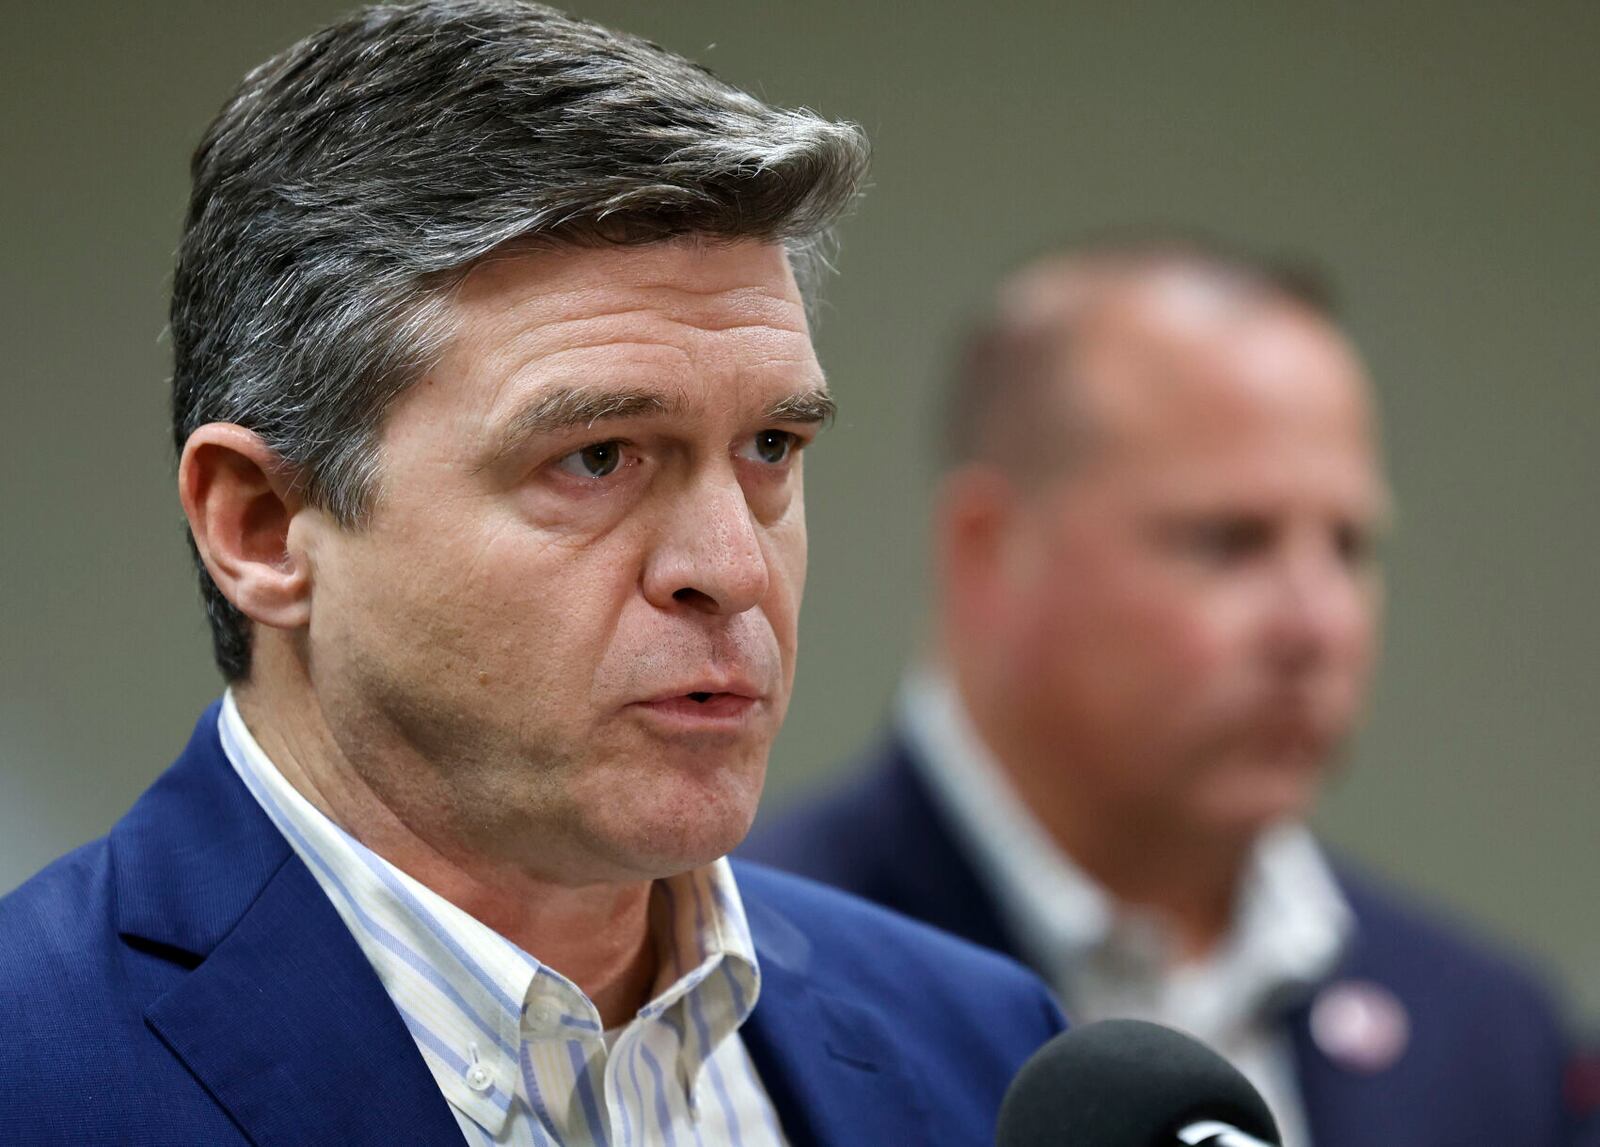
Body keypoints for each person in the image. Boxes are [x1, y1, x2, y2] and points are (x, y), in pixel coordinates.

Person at [0, 4, 1065, 1143]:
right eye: (596, 458)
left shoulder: (984, 1047)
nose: (732, 568)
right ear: (262, 528)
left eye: (770, 448)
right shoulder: (32, 1065)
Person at [743, 240, 1578, 1146]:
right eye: (1229, 541)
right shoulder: (738, 989)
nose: (1317, 625)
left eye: (1349, 546)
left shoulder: (1490, 1039)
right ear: (990, 552)